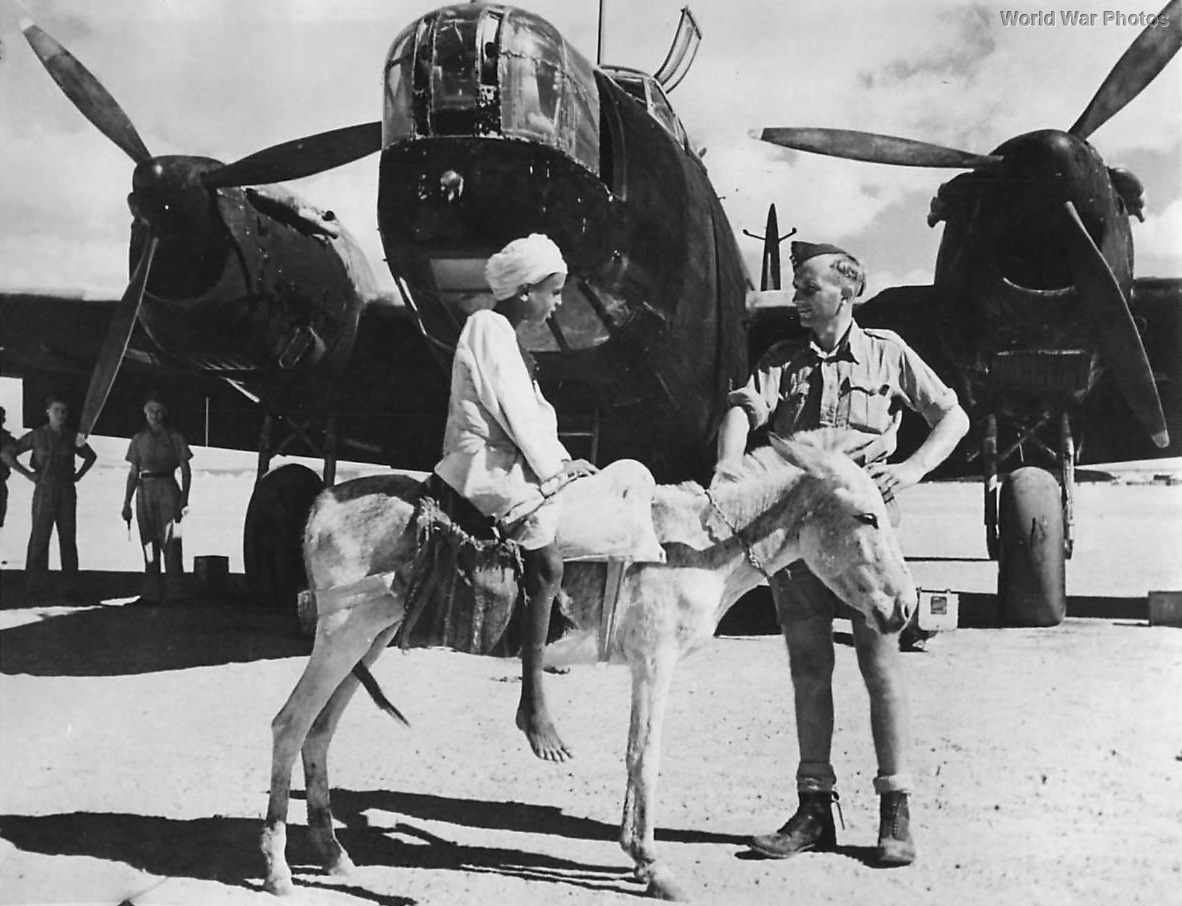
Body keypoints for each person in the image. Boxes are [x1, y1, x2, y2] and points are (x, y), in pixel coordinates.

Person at [716, 241, 969, 866]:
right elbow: (743, 410)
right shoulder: (782, 360)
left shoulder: (887, 352)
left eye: (809, 288)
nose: (797, 299)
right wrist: (729, 468)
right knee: (808, 668)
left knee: (880, 668)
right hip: (800, 536)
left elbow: (952, 417)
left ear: (846, 292)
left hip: (862, 540)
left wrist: (911, 469)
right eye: (798, 288)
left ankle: (895, 812)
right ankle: (813, 812)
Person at [434, 233, 597, 763]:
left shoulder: (505, 334)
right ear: (526, 291)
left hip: (512, 458)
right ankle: (532, 701)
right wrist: (555, 469)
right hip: (485, 464)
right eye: (554, 291)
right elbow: (514, 410)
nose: (558, 303)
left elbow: (532, 417)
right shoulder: (487, 327)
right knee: (548, 565)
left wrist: (562, 463)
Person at [1, 396, 97, 601]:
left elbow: (90, 456)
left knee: (68, 537)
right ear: (48, 412)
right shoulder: (37, 435)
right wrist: (28, 474)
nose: (60, 414)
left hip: (66, 490)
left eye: (63, 411)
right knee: (40, 537)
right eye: (56, 410)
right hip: (44, 489)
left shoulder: (72, 436)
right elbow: (7, 454)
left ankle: (70, 587)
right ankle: (35, 587)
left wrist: (79, 475)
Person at [121, 394, 193, 606]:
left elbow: (186, 469)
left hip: (167, 487)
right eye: (151, 410)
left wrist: (184, 499)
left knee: (171, 542)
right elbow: (133, 472)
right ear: (145, 411)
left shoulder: (175, 437)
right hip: (144, 490)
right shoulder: (138, 439)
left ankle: (175, 593)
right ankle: (150, 593)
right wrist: (126, 503)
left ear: (165, 413)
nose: (155, 415)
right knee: (148, 541)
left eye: (159, 410)